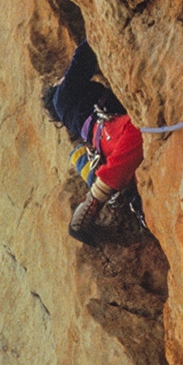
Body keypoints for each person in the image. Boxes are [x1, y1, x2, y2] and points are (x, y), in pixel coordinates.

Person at [42, 40, 144, 244]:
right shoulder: (60, 98)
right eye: (60, 80)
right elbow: (84, 58)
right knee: (139, 129)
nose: (63, 78)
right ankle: (95, 197)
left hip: (106, 138)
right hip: (110, 130)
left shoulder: (76, 112)